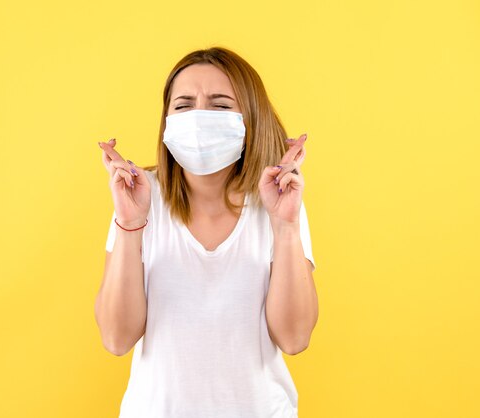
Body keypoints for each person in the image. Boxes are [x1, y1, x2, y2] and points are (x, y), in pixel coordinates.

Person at [94, 46, 319, 418]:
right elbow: (116, 339)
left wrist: (286, 226)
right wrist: (131, 225)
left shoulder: (278, 201)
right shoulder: (140, 196)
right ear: (167, 120)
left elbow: (294, 339)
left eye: (220, 104)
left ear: (250, 118)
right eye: (184, 105)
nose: (199, 116)